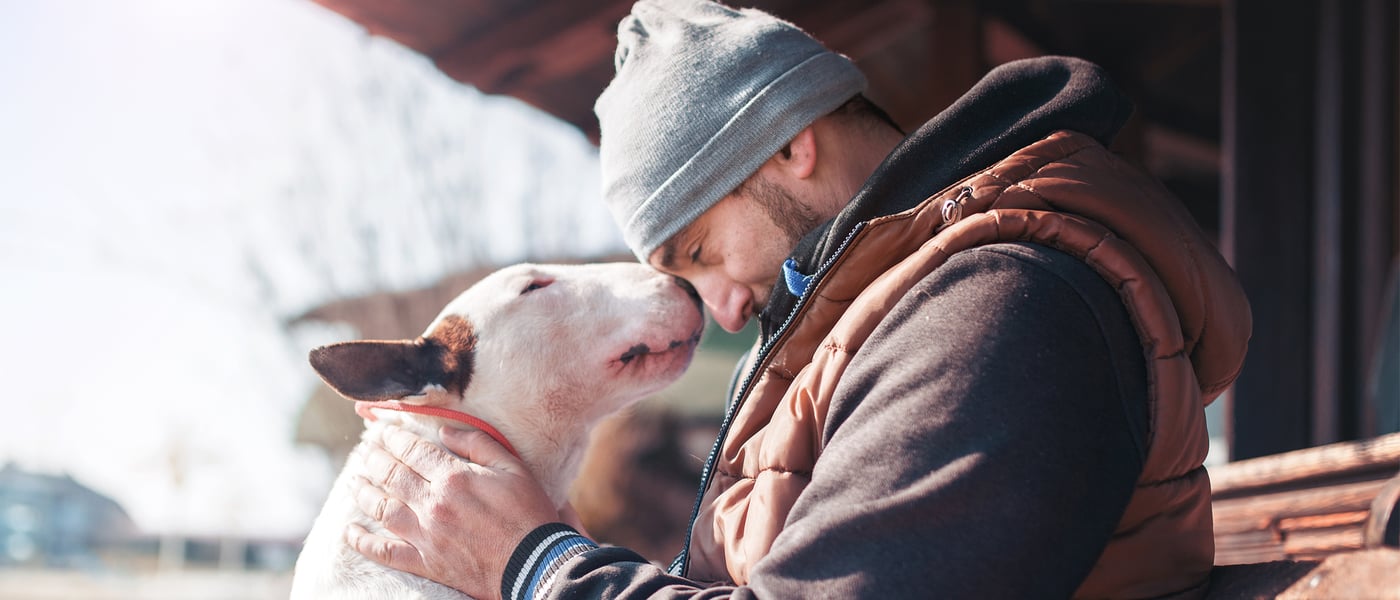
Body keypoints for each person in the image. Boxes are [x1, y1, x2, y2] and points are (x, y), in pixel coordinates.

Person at [344, 0, 1253, 598]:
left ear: (789, 145)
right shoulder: (890, 313)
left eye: (699, 250)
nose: (723, 312)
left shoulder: (1002, 304)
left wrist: (538, 565)